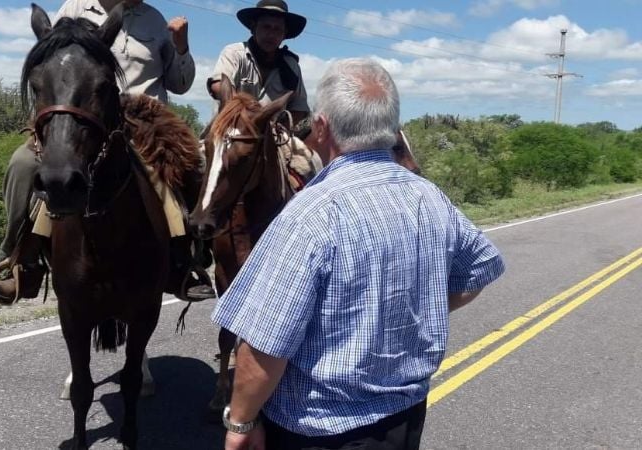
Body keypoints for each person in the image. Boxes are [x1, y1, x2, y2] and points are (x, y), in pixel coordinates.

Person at [212, 58, 506, 450]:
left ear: (321, 127)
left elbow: (265, 346)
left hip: (318, 431)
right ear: (392, 128)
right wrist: (402, 311)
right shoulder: (429, 195)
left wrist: (242, 423)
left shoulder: (311, 213)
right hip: (405, 418)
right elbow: (479, 268)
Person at [0, 0, 215, 304]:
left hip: (146, 120)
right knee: (22, 164)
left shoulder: (154, 20)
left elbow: (180, 84)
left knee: (186, 167)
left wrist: (181, 47)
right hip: (82, 118)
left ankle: (185, 264)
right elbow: (55, 65)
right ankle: (18, 262)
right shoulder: (74, 9)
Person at [208, 0, 310, 124]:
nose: (271, 34)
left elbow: (299, 108)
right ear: (253, 28)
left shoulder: (291, 66)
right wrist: (245, 113)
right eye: (266, 27)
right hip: (228, 132)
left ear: (284, 34)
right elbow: (218, 85)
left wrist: (278, 130)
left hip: (273, 137)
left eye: (278, 29)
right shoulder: (234, 53)